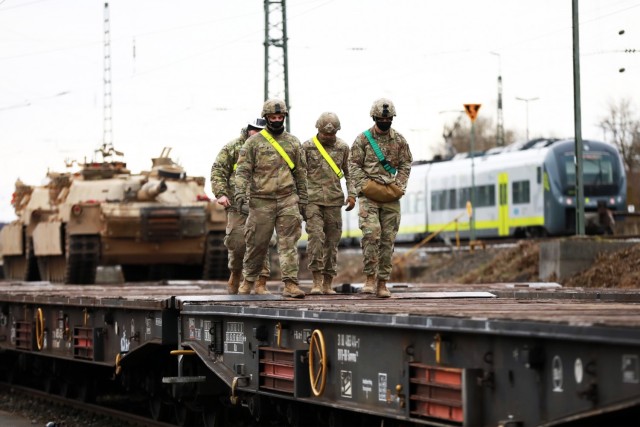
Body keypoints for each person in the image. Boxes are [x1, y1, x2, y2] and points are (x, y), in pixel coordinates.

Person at [234, 99, 308, 298]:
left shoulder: (293, 142)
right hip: (261, 201)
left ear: (284, 117)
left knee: (288, 244)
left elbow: (301, 173)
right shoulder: (253, 143)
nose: (277, 120)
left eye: (280, 117)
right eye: (273, 117)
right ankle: (248, 281)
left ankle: (291, 284)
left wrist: (304, 200)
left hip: (287, 199)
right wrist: (240, 194)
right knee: (257, 244)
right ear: (266, 118)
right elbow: (242, 172)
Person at [349, 98, 413, 298]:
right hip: (369, 196)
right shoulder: (363, 140)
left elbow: (406, 163)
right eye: (381, 119)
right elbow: (353, 165)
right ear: (374, 118)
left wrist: (399, 185)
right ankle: (369, 278)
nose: (385, 122)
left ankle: (383, 282)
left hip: (391, 196)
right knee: (371, 234)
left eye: (388, 119)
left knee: (387, 241)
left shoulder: (400, 141)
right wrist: (365, 186)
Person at [210, 118, 271, 294]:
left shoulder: (270, 148)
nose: (257, 134)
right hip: (236, 203)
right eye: (255, 130)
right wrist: (221, 193)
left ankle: (261, 281)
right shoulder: (233, 147)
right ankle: (236, 272)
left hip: (262, 202)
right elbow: (218, 170)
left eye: (262, 131)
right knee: (236, 241)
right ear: (249, 130)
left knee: (262, 241)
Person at [302, 112, 356, 294]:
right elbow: (299, 175)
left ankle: (328, 282)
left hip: (334, 201)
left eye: (332, 134)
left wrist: (352, 194)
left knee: (332, 244)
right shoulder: (307, 147)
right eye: (325, 134)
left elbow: (349, 173)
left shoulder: (343, 147)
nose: (329, 137)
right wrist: (299, 199)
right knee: (316, 240)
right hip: (312, 200)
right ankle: (316, 281)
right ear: (318, 130)